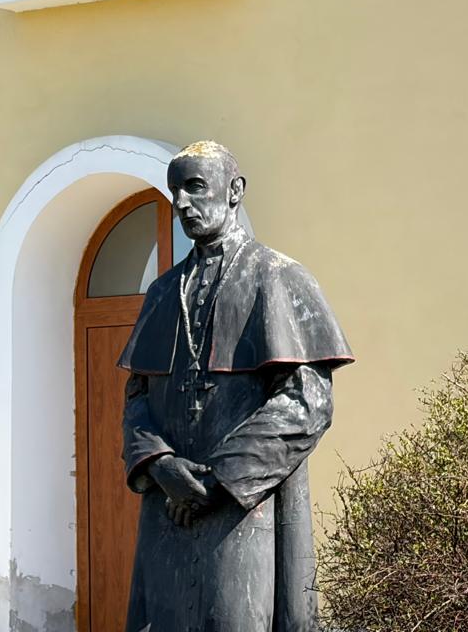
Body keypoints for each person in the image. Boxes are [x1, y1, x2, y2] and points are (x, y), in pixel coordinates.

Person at [120, 141, 353, 632]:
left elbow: (306, 402)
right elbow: (136, 397)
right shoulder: (161, 293)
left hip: (245, 511)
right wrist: (160, 464)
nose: (181, 202)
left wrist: (216, 480)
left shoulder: (279, 277)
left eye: (195, 187)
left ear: (234, 191)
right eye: (175, 191)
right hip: (167, 510)